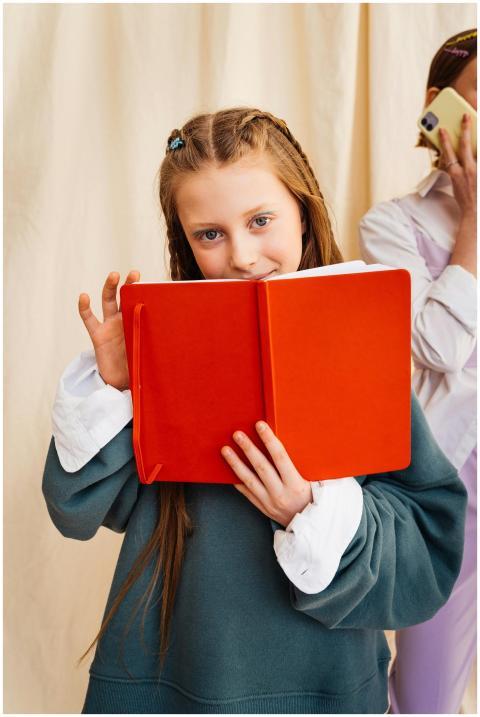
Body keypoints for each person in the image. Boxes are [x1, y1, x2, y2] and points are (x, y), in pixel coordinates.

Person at [42, 107, 467, 714]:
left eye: (261, 220)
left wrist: (311, 514)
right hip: (169, 683)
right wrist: (114, 390)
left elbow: (430, 541)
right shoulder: (162, 349)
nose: (241, 255)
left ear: (302, 208)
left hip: (325, 689)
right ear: (184, 241)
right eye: (209, 234)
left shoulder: (359, 347)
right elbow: (77, 512)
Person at [358, 29, 477, 714]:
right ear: (439, 109)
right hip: (448, 491)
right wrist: (475, 223)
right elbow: (437, 344)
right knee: (426, 697)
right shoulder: (392, 226)